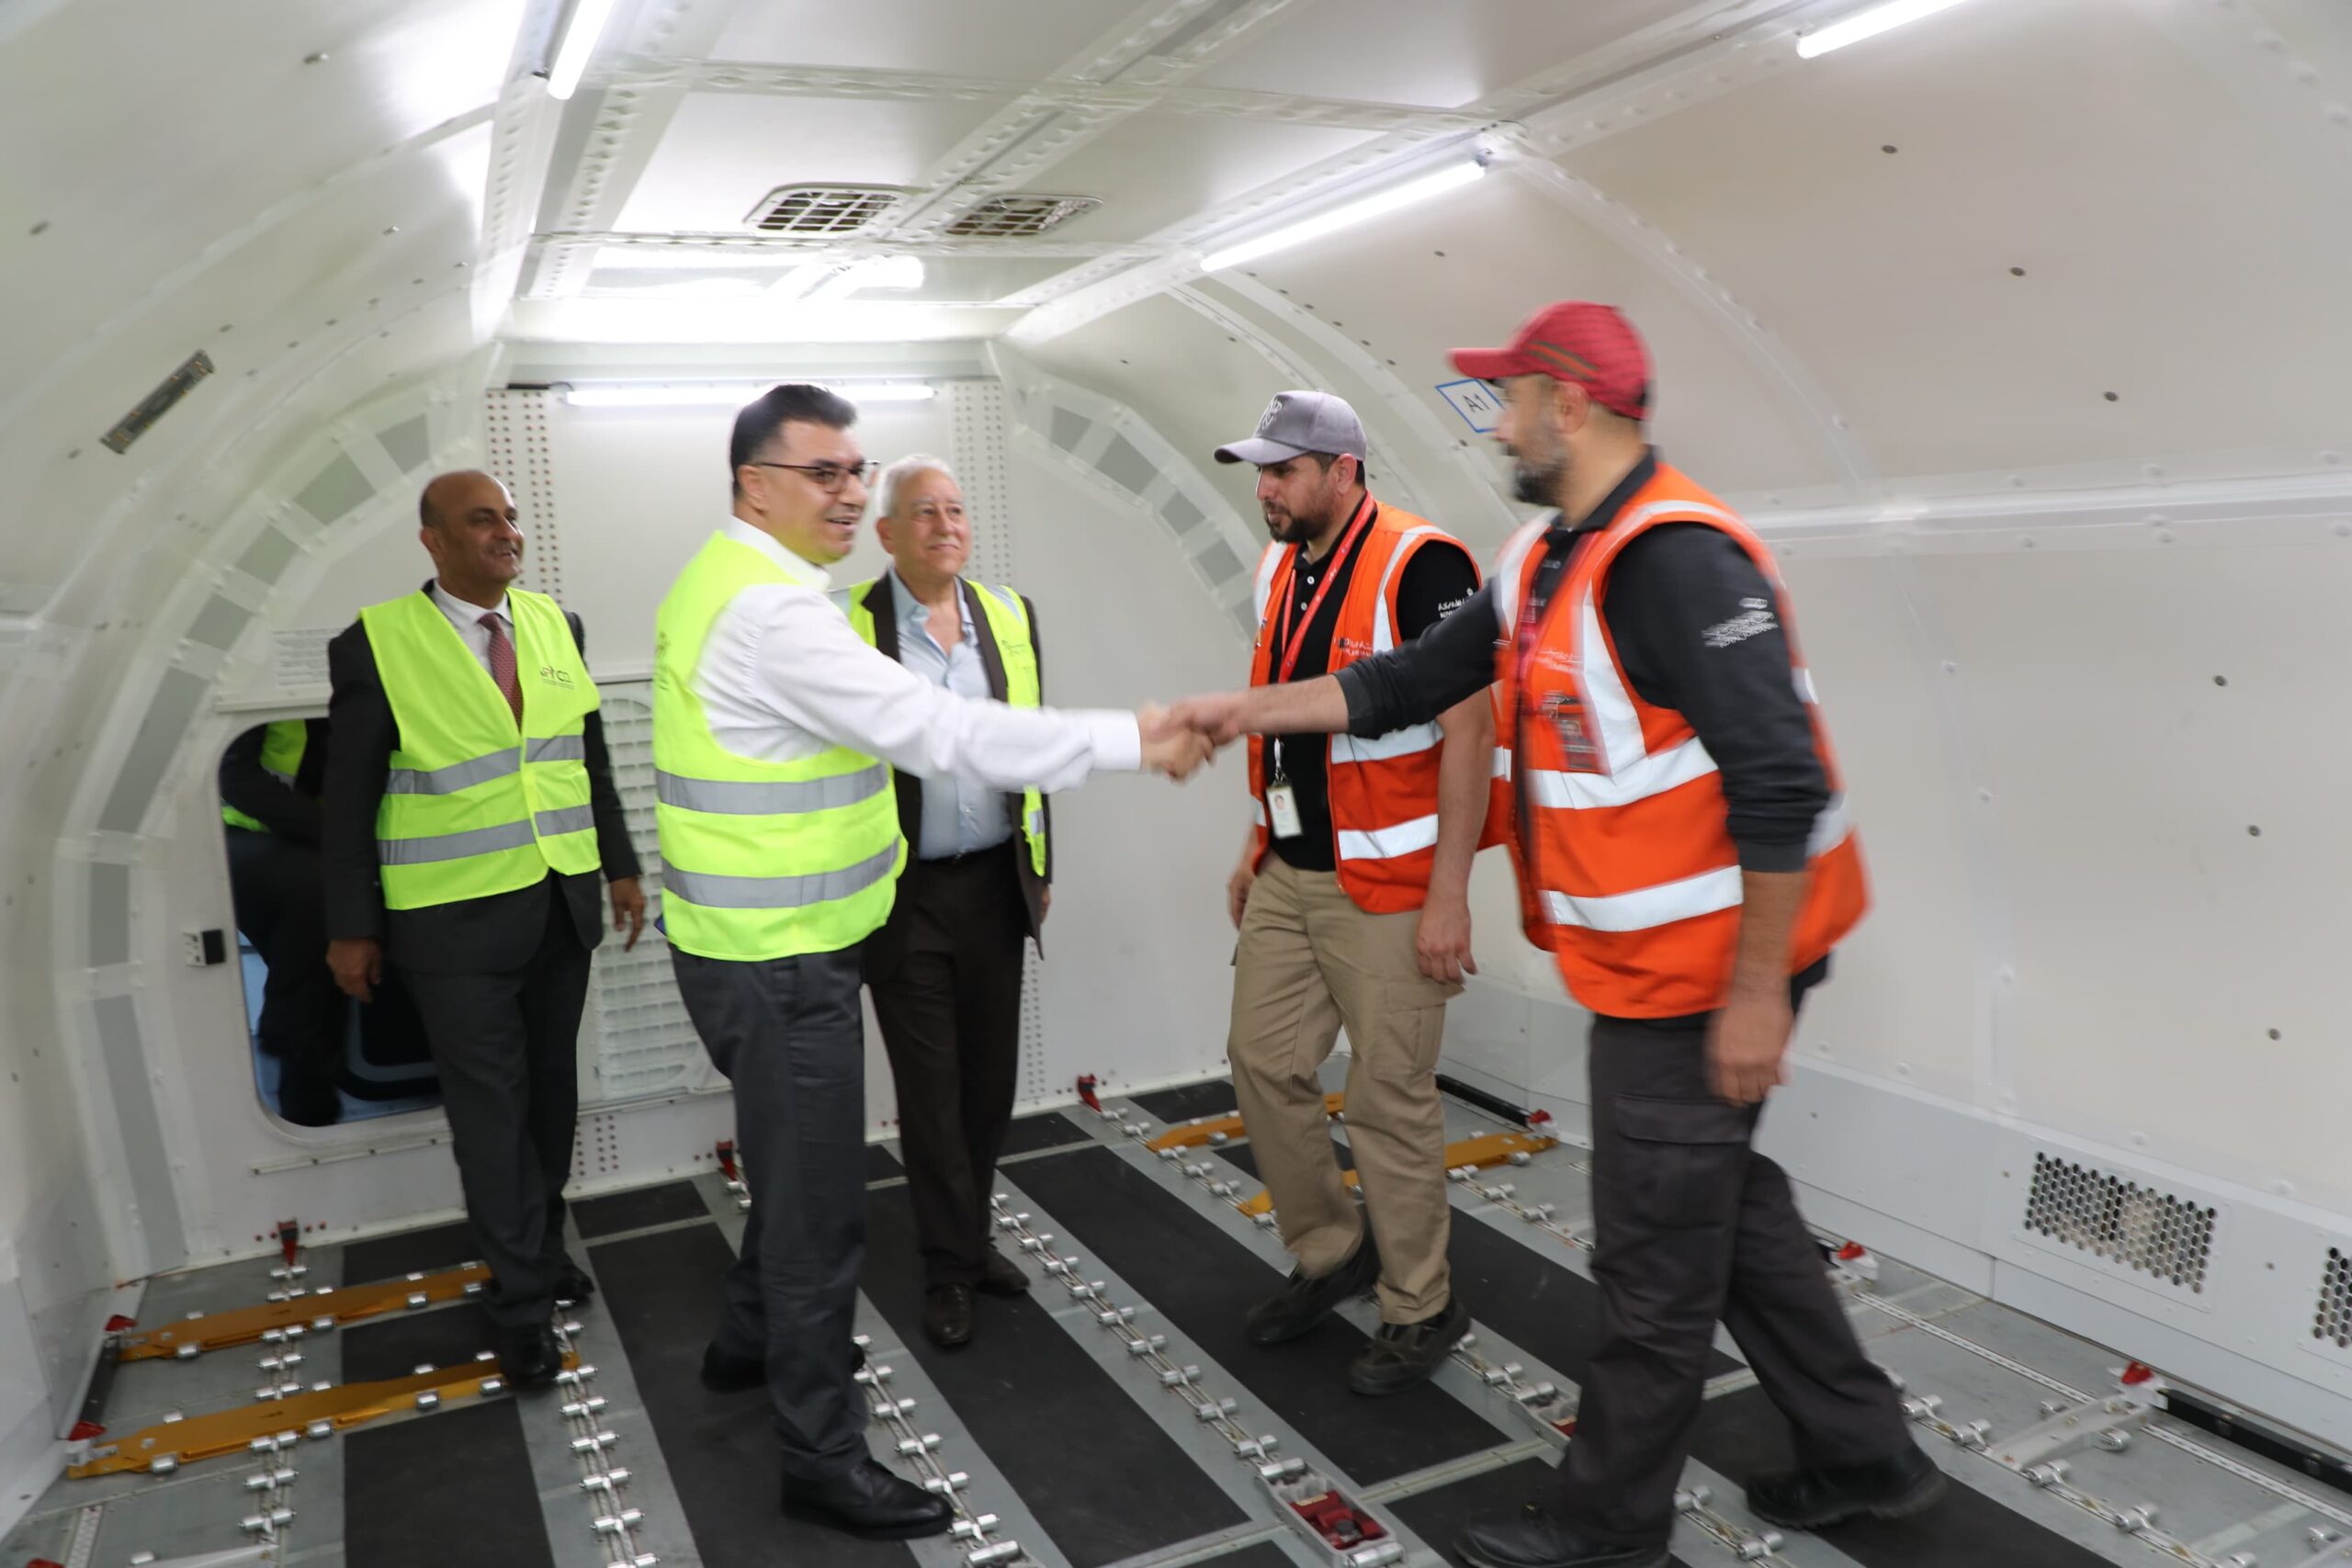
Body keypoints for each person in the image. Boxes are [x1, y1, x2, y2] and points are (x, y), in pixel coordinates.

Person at [1170, 303, 1939, 1568]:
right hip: (1649, 965)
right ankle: (1867, 1451)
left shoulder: (1678, 564)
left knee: (1651, 1258)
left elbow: (1782, 783)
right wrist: (1239, 712)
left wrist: (1757, 993)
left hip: (1706, 973)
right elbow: (1406, 682)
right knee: (1726, 1211)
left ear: (1570, 406)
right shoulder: (1543, 557)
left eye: (1511, 400)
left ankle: (1605, 1525)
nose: (1497, 423)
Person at [653, 383, 1209, 1541]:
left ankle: (745, 1344)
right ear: (755, 485)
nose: (849, 494)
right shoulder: (776, 616)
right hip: (781, 957)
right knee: (818, 1213)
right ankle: (821, 1456)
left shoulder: (726, 578)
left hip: (753, 946)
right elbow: (943, 731)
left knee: (789, 1167)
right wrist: (1133, 738)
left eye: (856, 472)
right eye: (823, 474)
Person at [321, 470, 647, 1389]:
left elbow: (585, 759)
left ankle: (539, 1252)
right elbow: (347, 801)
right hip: (450, 926)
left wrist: (619, 864)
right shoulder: (375, 643)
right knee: (492, 1117)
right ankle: (521, 1307)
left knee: (549, 1104)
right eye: (481, 520)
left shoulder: (555, 625)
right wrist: (351, 927)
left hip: (559, 908)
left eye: (510, 517)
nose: (507, 532)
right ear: (433, 541)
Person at [1208, 391, 1494, 1393]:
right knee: (1262, 1059)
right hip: (1292, 868)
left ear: (1343, 471)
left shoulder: (1425, 566)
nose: (1266, 489)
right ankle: (1334, 1253)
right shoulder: (1279, 565)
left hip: (1393, 884)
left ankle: (1422, 1304)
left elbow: (1471, 731)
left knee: (1386, 1098)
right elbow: (1287, 717)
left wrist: (1450, 894)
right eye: (1261, 470)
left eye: (1282, 471)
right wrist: (1257, 842)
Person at [837, 456, 1052, 1350]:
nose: (945, 525)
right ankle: (947, 1269)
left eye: (956, 510)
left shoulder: (1009, 614)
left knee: (987, 1086)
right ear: (887, 532)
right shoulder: (844, 625)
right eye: (924, 512)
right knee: (930, 1094)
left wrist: (1039, 863)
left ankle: (971, 1237)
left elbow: (1032, 740)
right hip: (903, 892)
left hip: (996, 883)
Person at [220, 717, 344, 1125]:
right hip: (247, 833)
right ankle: (295, 1057)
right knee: (319, 896)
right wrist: (338, 835)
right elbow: (236, 779)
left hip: (319, 840)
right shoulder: (262, 683)